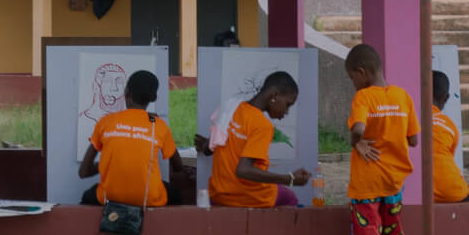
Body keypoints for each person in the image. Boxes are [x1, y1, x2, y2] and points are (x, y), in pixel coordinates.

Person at [344, 43, 422, 235]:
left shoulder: (364, 98)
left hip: (366, 186)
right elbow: (413, 140)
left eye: (352, 77)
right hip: (393, 186)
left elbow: (358, 129)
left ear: (361, 72)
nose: (353, 84)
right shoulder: (403, 97)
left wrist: (357, 142)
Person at [194, 71, 310, 207]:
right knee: (290, 198)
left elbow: (213, 145)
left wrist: (206, 146)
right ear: (274, 96)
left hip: (219, 195)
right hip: (250, 196)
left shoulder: (231, 107)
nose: (286, 112)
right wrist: (289, 179)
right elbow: (243, 170)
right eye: (288, 104)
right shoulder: (262, 125)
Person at [79, 69, 190, 207]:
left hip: (110, 198)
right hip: (148, 199)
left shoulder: (106, 122)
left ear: (126, 92)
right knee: (176, 195)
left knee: (86, 197)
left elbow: (83, 172)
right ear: (154, 98)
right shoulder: (159, 126)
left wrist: (108, 163)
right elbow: (178, 166)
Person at [430, 70, 469, 203]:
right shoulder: (449, 125)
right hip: (453, 191)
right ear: (446, 98)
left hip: (419, 193)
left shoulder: (410, 118)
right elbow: (448, 158)